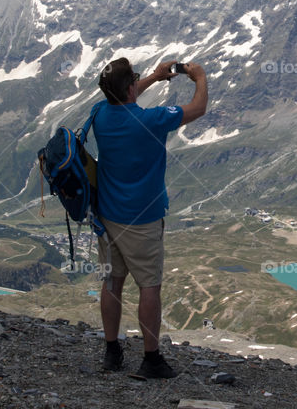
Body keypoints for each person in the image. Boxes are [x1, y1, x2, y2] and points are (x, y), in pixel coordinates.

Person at [93, 57, 207, 378]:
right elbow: (198, 109)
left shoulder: (100, 114)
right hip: (143, 219)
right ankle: (151, 359)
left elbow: (121, 97)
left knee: (113, 282)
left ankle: (112, 352)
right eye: (135, 81)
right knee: (149, 286)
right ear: (130, 87)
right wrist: (199, 77)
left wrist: (156, 78)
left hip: (108, 216)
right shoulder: (151, 120)